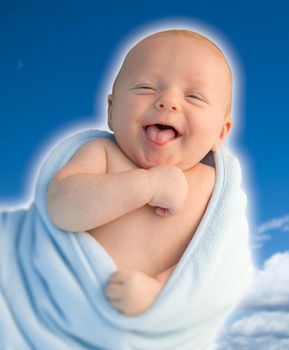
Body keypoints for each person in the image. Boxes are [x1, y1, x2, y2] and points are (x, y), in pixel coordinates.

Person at [46, 29, 234, 316]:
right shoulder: (102, 156)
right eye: (146, 87)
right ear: (111, 110)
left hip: (155, 321)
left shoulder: (213, 189)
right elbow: (60, 208)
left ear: (220, 133)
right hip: (78, 312)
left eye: (194, 97)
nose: (167, 101)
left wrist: (159, 292)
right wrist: (146, 185)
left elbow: (211, 267)